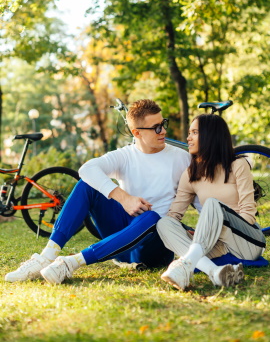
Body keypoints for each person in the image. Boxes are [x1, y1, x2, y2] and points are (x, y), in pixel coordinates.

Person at [5, 99, 191, 284]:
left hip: (154, 247)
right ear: (137, 132)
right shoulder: (125, 155)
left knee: (152, 218)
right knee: (87, 185)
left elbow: (200, 198)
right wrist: (124, 198)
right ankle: (45, 257)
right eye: (156, 127)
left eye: (163, 123)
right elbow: (86, 170)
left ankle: (71, 263)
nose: (164, 131)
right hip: (121, 241)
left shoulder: (181, 158)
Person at [157, 113, 266, 290]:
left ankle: (186, 264)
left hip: (248, 241)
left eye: (194, 132)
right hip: (215, 246)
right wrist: (199, 234)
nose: (188, 137)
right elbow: (174, 215)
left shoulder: (238, 165)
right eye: (189, 132)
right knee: (165, 223)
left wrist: (216, 228)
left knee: (212, 204)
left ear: (210, 136)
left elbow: (248, 216)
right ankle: (214, 272)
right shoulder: (190, 174)